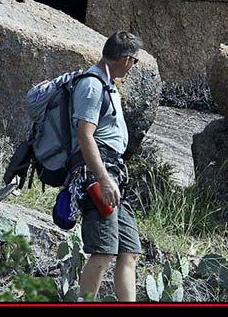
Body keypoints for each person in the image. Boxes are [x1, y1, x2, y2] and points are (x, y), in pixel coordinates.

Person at [71, 30, 143, 301]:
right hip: (98, 175)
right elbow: (84, 134)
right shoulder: (92, 85)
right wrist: (102, 178)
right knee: (102, 251)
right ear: (126, 59)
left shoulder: (108, 83)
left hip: (114, 176)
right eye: (134, 61)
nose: (133, 66)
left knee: (129, 250)